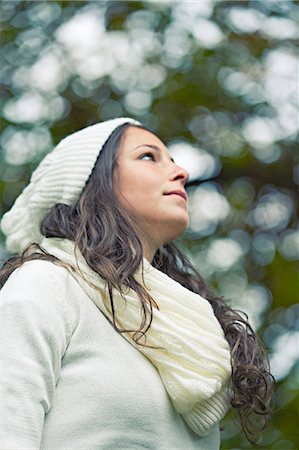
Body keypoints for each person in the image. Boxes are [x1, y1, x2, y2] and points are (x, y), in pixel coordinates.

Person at [0, 117, 273, 449]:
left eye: (172, 160)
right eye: (148, 156)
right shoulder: (47, 284)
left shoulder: (190, 327)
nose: (182, 173)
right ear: (90, 182)